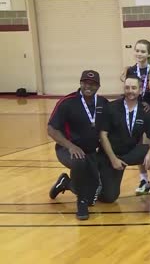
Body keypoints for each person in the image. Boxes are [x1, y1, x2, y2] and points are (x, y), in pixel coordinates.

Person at [48, 70, 109, 220]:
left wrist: (144, 105)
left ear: (98, 86)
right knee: (79, 161)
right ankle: (81, 202)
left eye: (93, 84)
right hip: (67, 149)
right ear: (80, 83)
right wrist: (70, 146)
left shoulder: (102, 103)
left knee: (94, 194)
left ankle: (66, 183)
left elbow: (121, 110)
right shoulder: (67, 102)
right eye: (85, 83)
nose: (89, 86)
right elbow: (51, 129)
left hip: (91, 152)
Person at [98, 74, 150, 204]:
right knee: (109, 197)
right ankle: (73, 184)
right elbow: (102, 135)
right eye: (127, 87)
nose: (130, 91)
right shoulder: (111, 108)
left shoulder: (145, 111)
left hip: (130, 153)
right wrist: (113, 159)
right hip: (111, 155)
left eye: (134, 88)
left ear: (140, 90)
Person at [122, 39, 150, 196]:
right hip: (135, 112)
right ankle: (143, 180)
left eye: (143, 51)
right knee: (138, 145)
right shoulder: (130, 71)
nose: (139, 54)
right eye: (137, 50)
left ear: (149, 54)